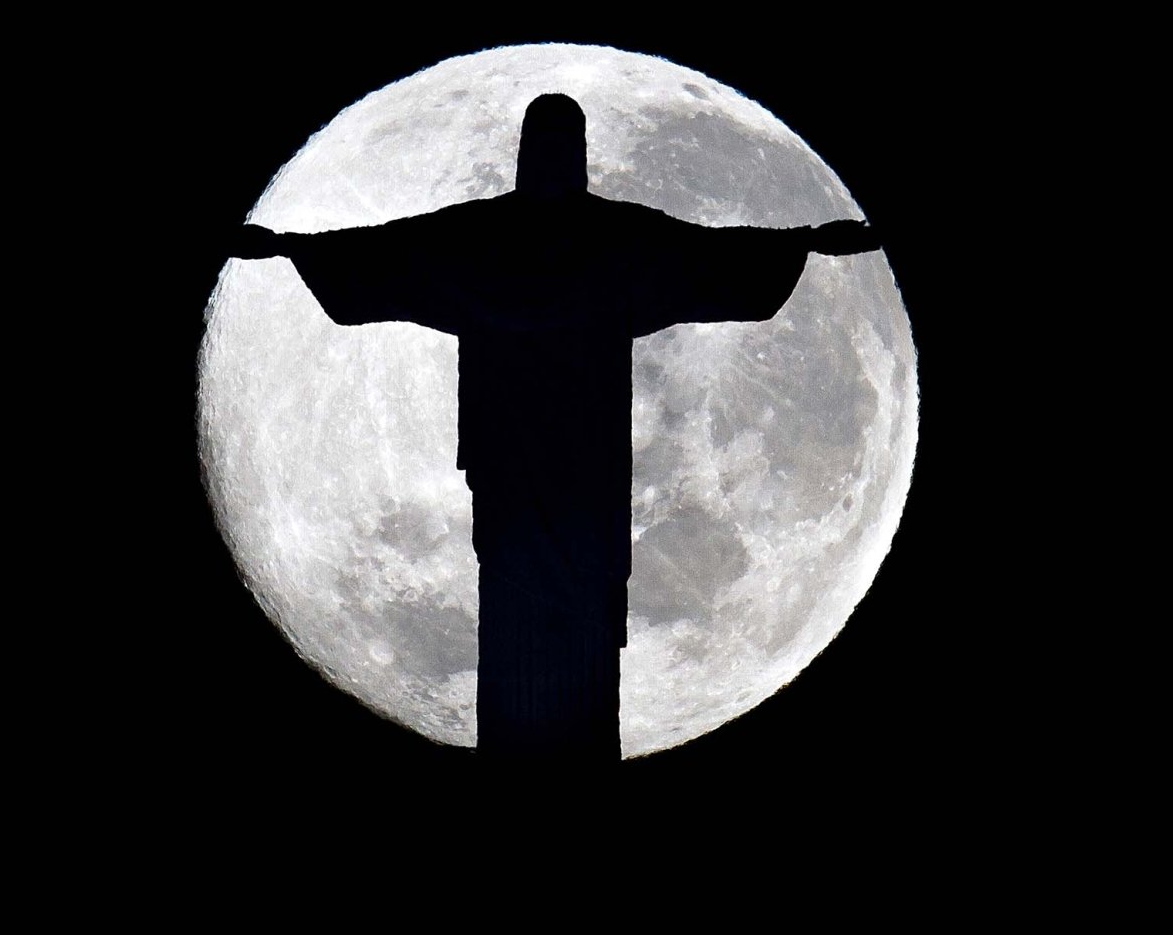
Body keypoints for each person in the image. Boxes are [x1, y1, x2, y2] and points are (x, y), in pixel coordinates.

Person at [231, 94, 880, 761]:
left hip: (572, 473)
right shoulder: (556, 241)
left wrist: (289, 250)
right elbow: (396, 255)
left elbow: (700, 257)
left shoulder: (541, 241)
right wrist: (287, 249)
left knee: (575, 615)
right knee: (526, 606)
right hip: (529, 472)